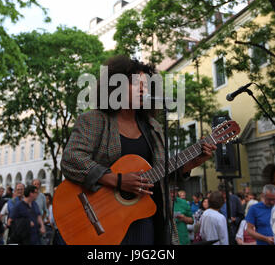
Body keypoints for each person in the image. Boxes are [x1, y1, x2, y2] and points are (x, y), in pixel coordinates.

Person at [60, 55, 216, 245]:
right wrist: (116, 180)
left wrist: (191, 163)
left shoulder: (153, 127)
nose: (143, 88)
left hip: (146, 221)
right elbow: (71, 158)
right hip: (103, 220)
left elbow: (159, 174)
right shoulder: (94, 120)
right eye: (135, 84)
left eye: (146, 84)